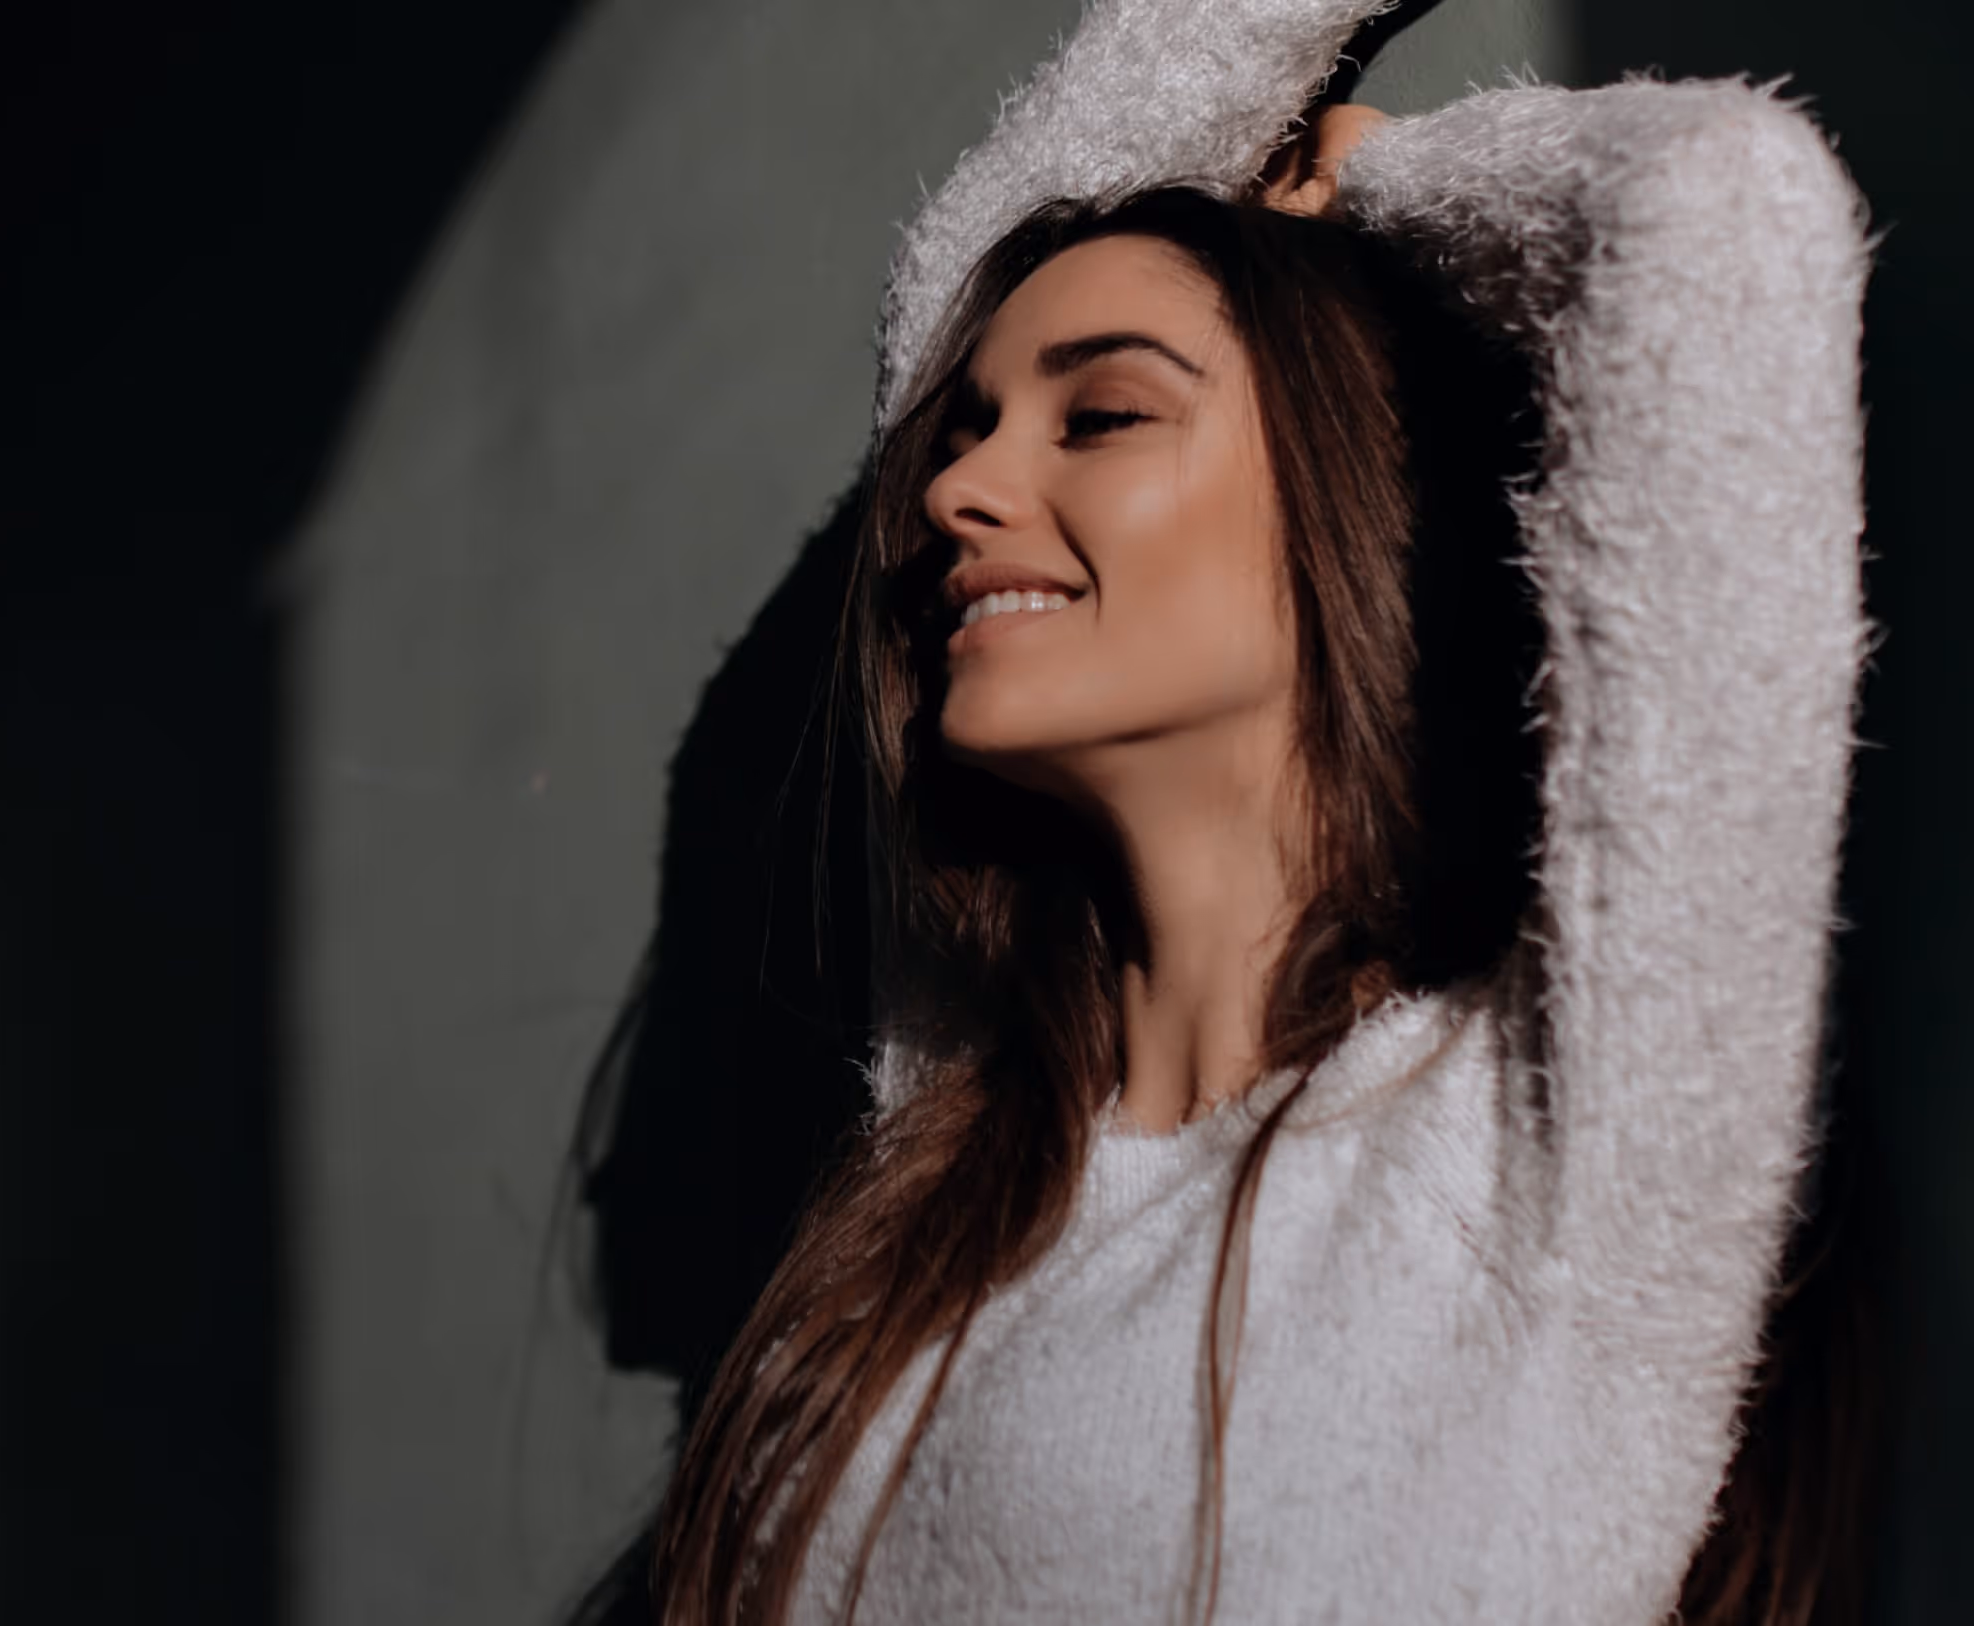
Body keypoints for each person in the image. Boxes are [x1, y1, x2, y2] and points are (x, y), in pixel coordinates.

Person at [620, 1, 1876, 1621]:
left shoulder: (1537, 1154)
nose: (952, 490)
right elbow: (974, 258)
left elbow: (1727, 213)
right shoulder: (949, 1156)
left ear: (1337, 512)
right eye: (968, 433)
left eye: (1105, 415)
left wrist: (1374, 189)